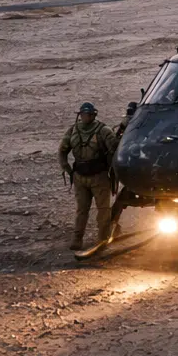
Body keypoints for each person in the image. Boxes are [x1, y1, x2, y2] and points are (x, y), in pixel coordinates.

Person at [58, 102, 118, 251]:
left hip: (99, 176)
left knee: (103, 209)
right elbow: (62, 150)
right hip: (80, 176)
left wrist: (112, 170)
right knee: (82, 209)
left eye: (88, 114)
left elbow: (115, 150)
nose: (86, 117)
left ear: (93, 115)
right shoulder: (73, 130)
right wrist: (67, 169)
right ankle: (78, 238)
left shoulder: (104, 131)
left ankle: (102, 239)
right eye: (84, 114)